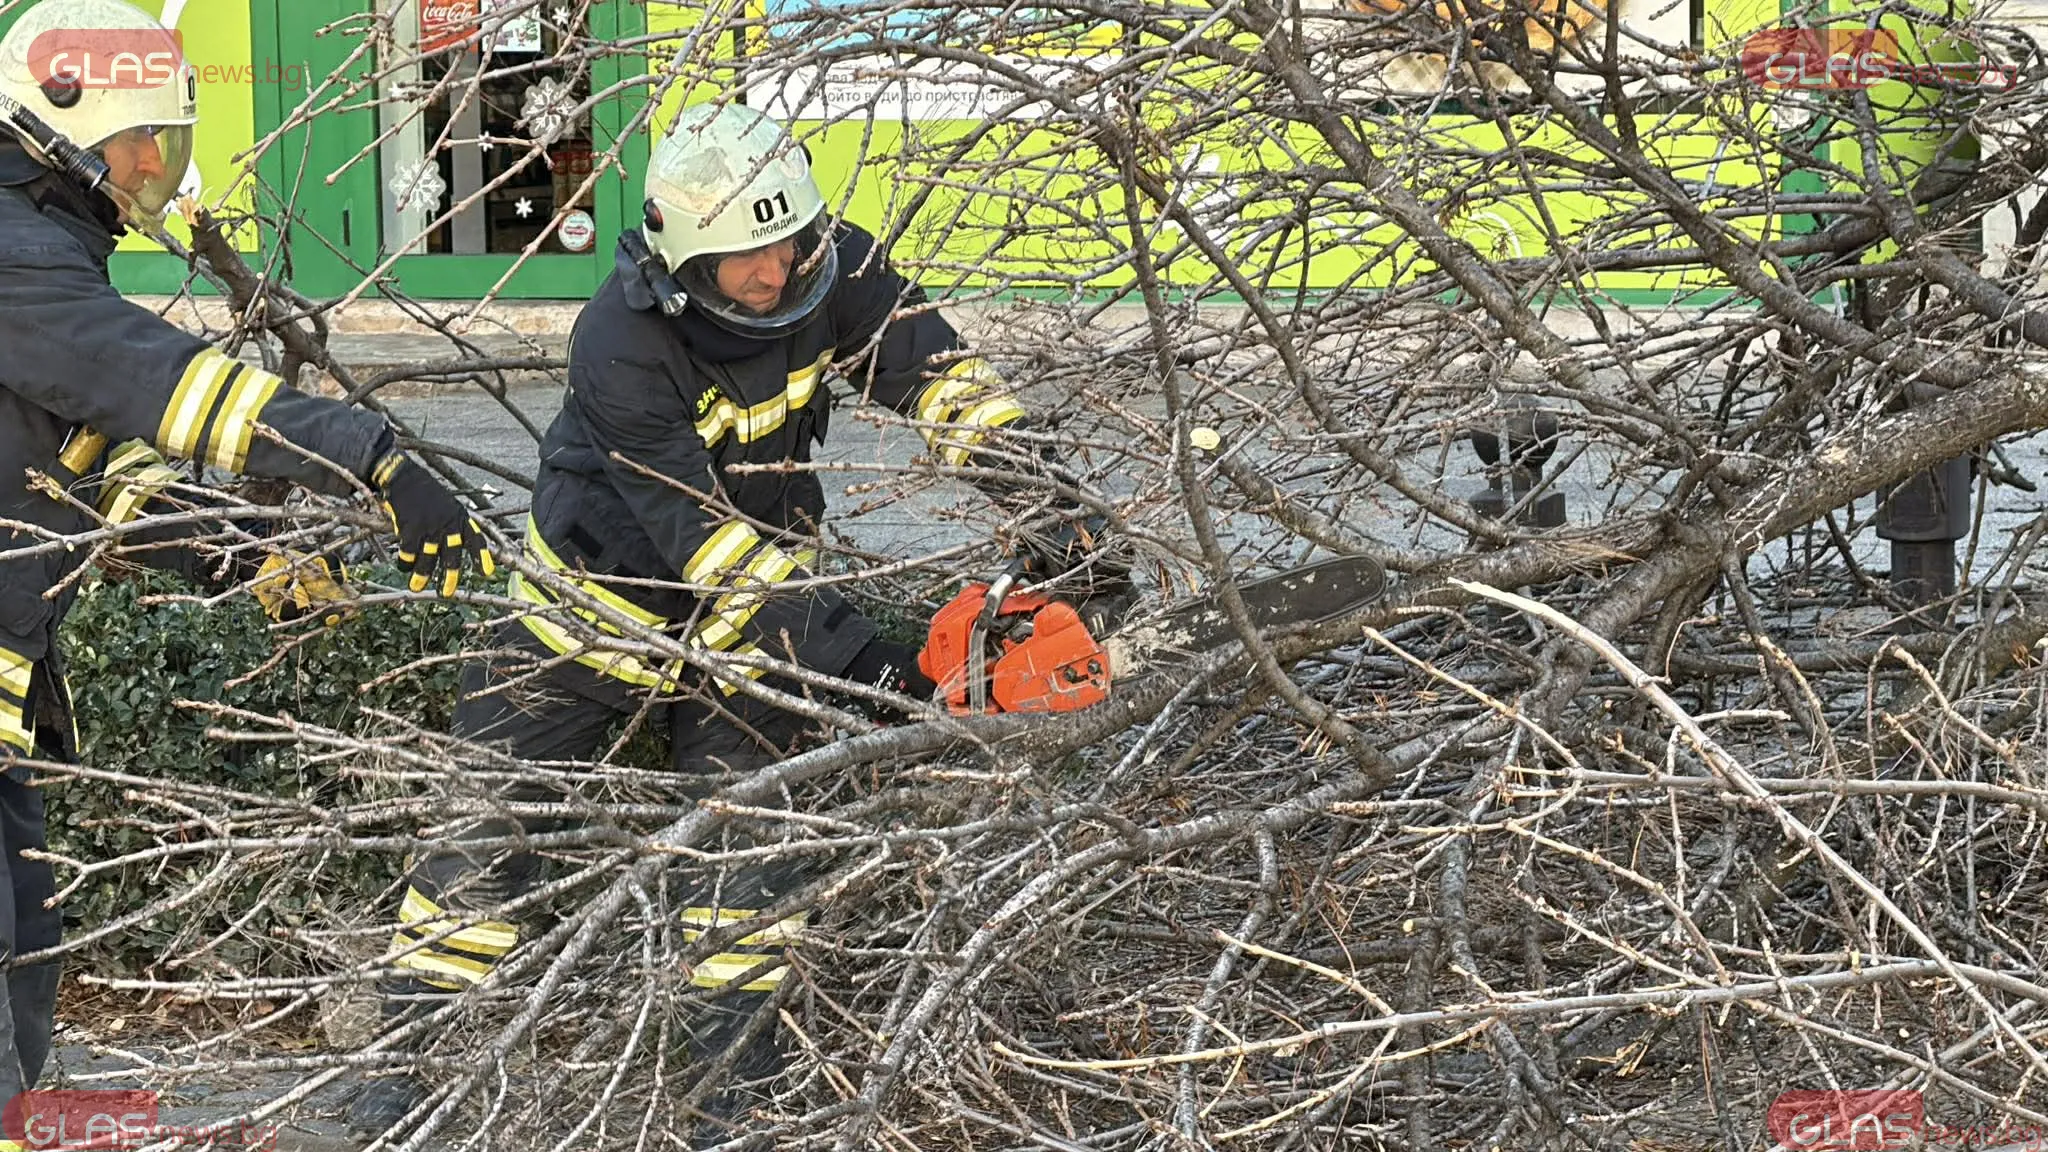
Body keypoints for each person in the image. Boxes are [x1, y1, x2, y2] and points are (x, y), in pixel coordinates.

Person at [346, 101, 1116, 1141]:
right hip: (600, 613)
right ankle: (404, 1076)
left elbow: (943, 382)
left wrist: (1048, 501)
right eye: (749, 258)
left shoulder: (829, 266)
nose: (778, 271)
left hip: (760, 608)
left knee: (748, 879)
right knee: (483, 848)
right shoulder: (620, 344)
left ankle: (729, 1103)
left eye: (790, 243)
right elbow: (712, 557)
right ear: (686, 260)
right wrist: (880, 675)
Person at [0, 0, 494, 1130]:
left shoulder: (37, 248)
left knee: (23, 934)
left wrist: (241, 553)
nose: (155, 166)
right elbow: (165, 386)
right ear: (57, 126)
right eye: (140, 138)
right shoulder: (13, 260)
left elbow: (75, 466)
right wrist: (372, 454)